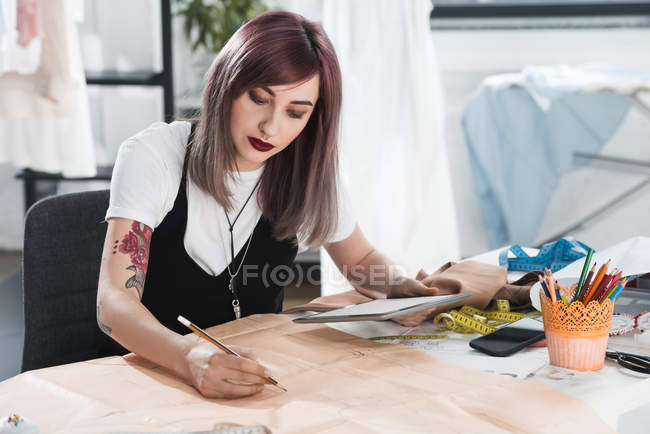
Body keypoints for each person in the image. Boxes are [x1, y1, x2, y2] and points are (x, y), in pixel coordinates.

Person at [97, 10, 443, 399]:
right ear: (227, 85)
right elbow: (113, 302)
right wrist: (188, 357)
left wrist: (396, 288)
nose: (271, 127)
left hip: (254, 374)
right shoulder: (154, 154)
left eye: (296, 112)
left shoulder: (305, 169)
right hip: (152, 375)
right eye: (259, 99)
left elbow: (359, 260)